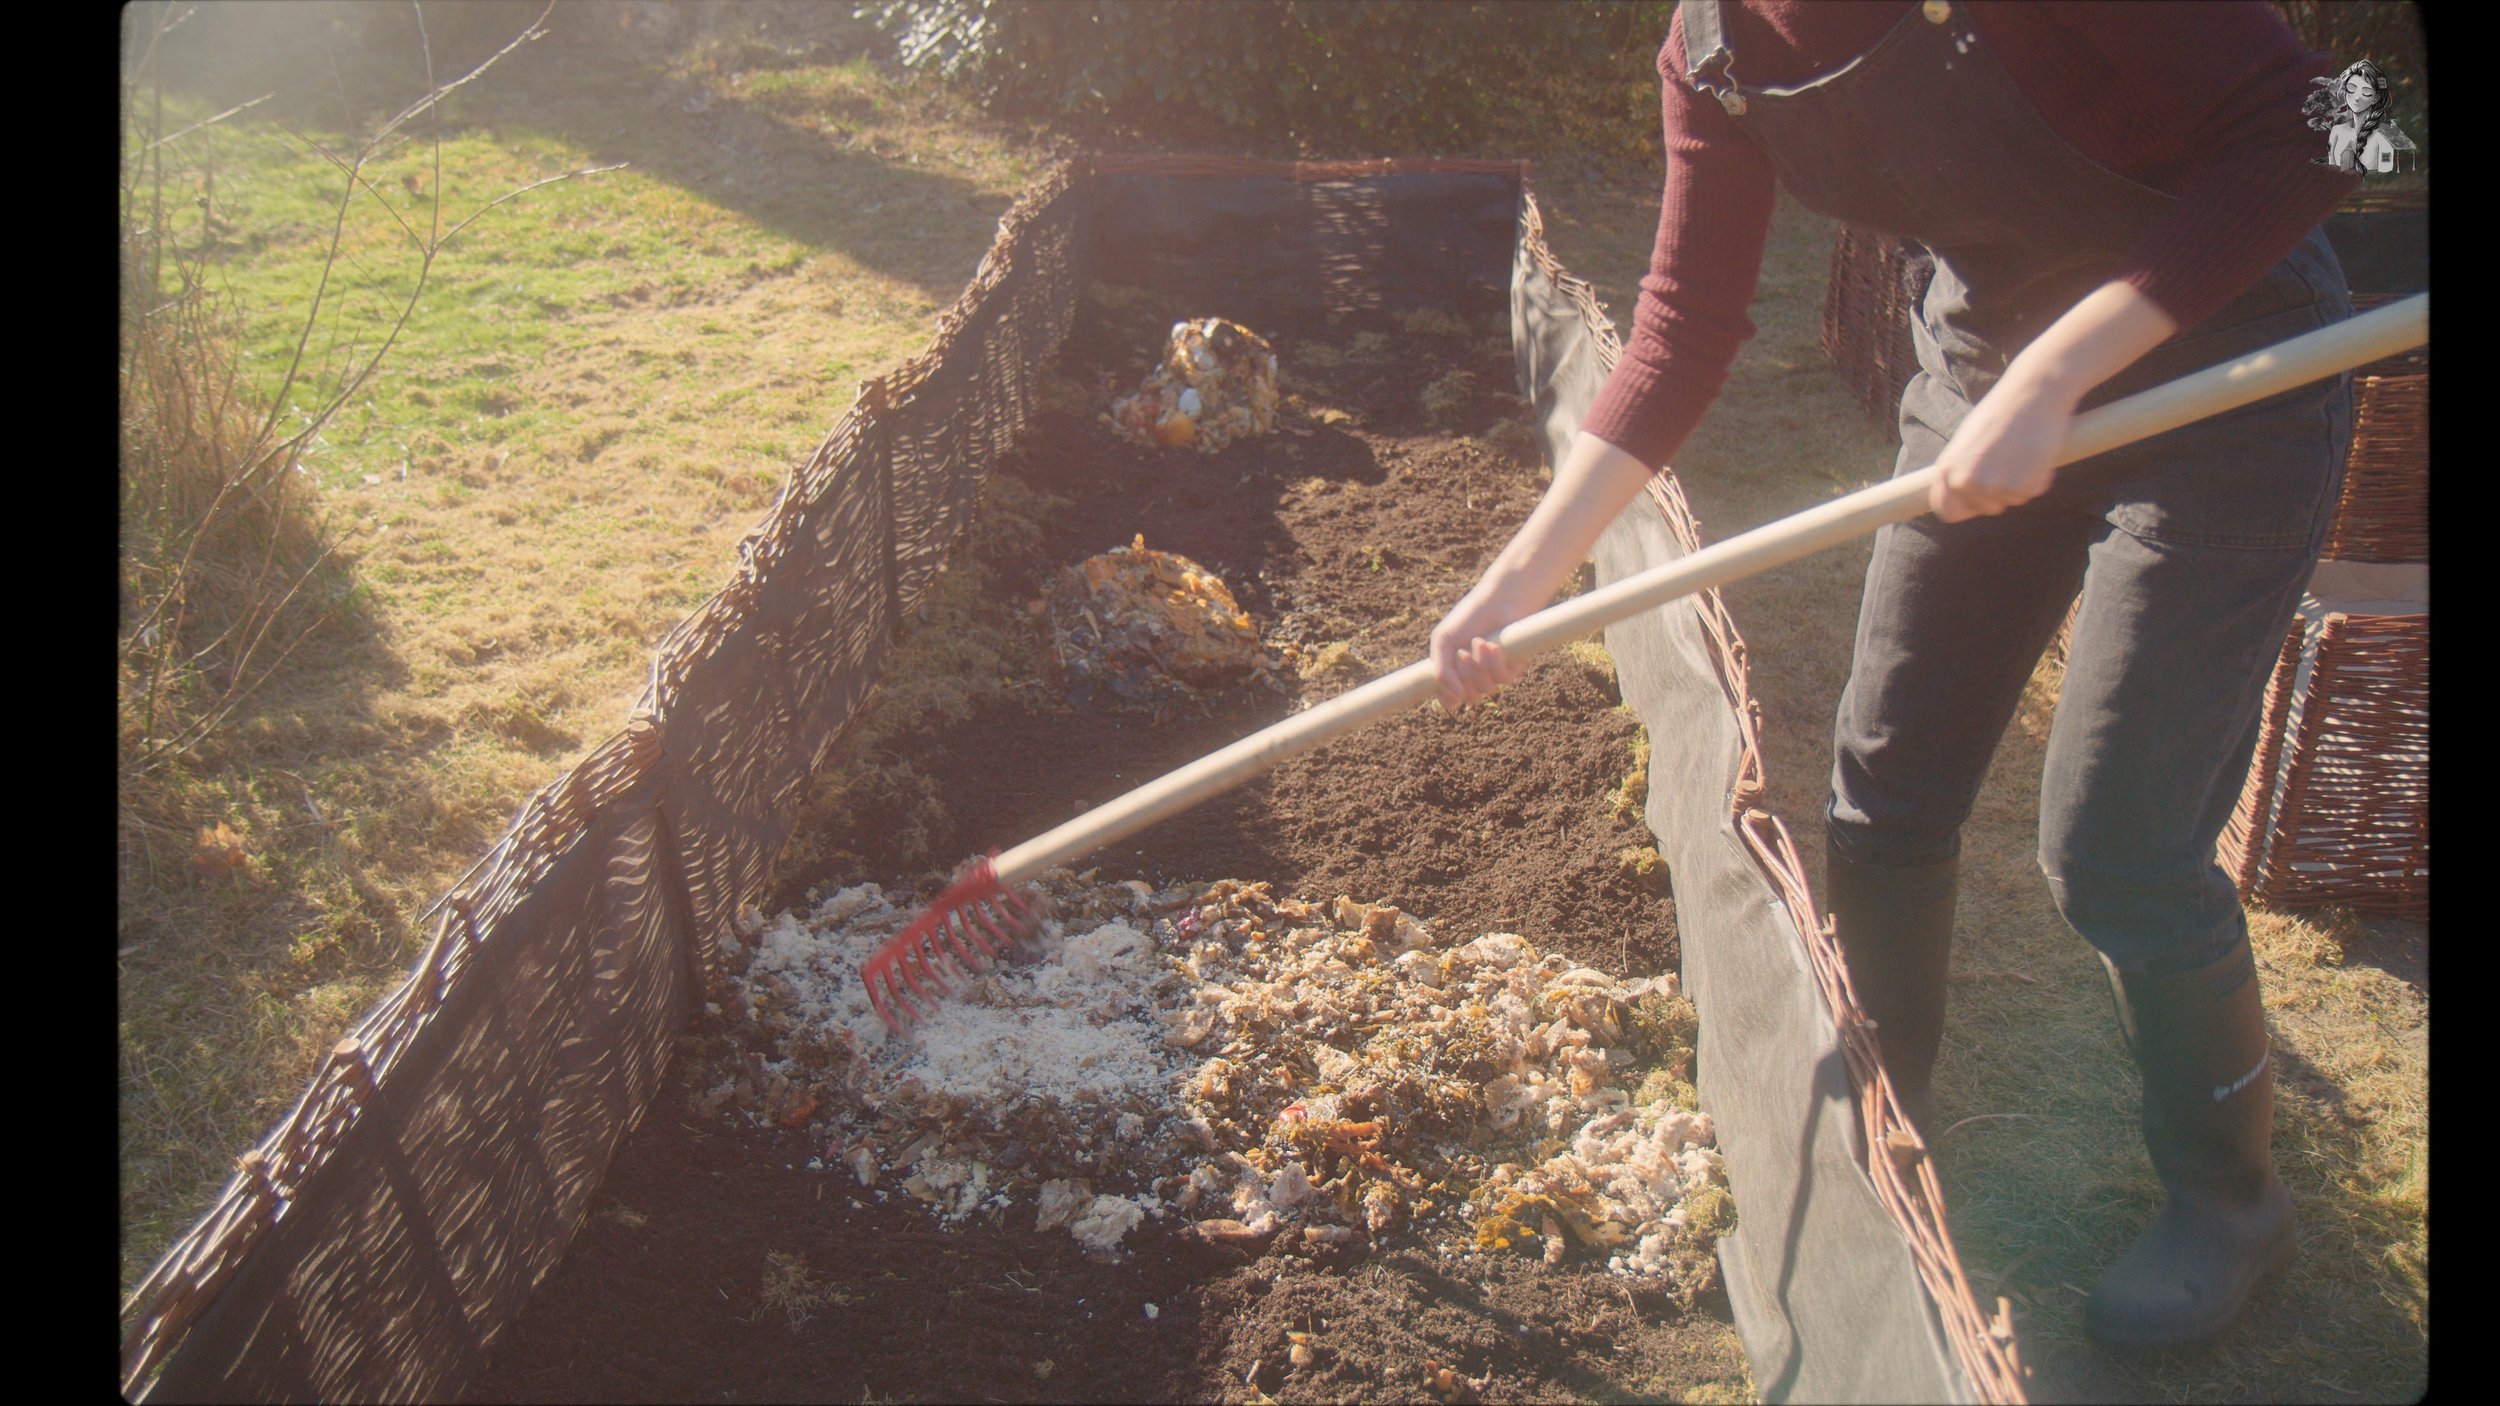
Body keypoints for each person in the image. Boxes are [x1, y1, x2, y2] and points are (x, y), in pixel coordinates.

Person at [1428, 1, 2358, 1351]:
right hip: (1978, 386)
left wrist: (2059, 372)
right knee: (1884, 790)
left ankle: (2232, 1202)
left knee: (2121, 845)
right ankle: (1887, 1116)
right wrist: (1522, 579)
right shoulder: (1717, 50)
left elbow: (2320, 135)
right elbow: (1683, 327)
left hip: (2221, 382)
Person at [2313, 59, 2412, 173]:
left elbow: (2386, 168)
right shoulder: (2337, 130)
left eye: (2366, 91)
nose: (2357, 97)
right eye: (2352, 88)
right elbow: (2329, 169)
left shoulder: (2384, 135)